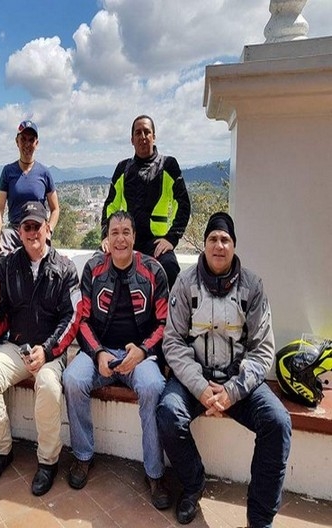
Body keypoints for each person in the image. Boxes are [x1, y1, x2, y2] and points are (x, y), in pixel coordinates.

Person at [157, 212, 292, 527]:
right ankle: (193, 484)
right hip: (195, 378)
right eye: (213, 239)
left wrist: (232, 391)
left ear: (233, 245)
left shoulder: (253, 287)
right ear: (204, 245)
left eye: (225, 239)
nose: (219, 245)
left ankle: (259, 519)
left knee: (277, 422)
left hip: (239, 380)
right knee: (167, 412)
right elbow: (173, 343)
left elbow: (262, 349)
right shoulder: (185, 283)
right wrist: (201, 388)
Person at [63, 210, 170, 509]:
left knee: (152, 387)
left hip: (141, 355)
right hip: (101, 351)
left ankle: (154, 472)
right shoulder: (94, 269)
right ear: (107, 238)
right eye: (115, 232)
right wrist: (97, 352)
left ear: (135, 237)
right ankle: (83, 456)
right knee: (72, 380)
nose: (120, 238)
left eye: (126, 232)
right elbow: (81, 319)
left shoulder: (153, 270)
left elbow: (164, 324)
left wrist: (143, 351)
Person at [0, 201, 81, 496]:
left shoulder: (65, 269)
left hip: (51, 352)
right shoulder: (7, 267)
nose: (33, 232)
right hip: (16, 345)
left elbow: (72, 317)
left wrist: (47, 351)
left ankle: (48, 461)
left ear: (49, 228)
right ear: (19, 232)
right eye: (27, 227)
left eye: (38, 225)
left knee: (47, 385)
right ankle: (1, 450)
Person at [101, 114, 191, 288]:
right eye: (138, 133)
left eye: (147, 132)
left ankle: (165, 315)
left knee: (170, 268)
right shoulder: (123, 168)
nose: (143, 137)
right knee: (98, 263)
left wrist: (171, 238)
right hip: (125, 239)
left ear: (154, 136)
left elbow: (183, 204)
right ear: (132, 139)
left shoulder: (168, 165)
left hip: (156, 242)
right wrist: (106, 236)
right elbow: (111, 205)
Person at [0, 120, 59, 256]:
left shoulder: (44, 172)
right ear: (17, 142)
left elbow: (55, 208)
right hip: (15, 232)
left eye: (31, 140)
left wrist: (48, 230)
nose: (27, 144)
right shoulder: (8, 172)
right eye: (23, 139)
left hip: (38, 231)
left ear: (36, 143)